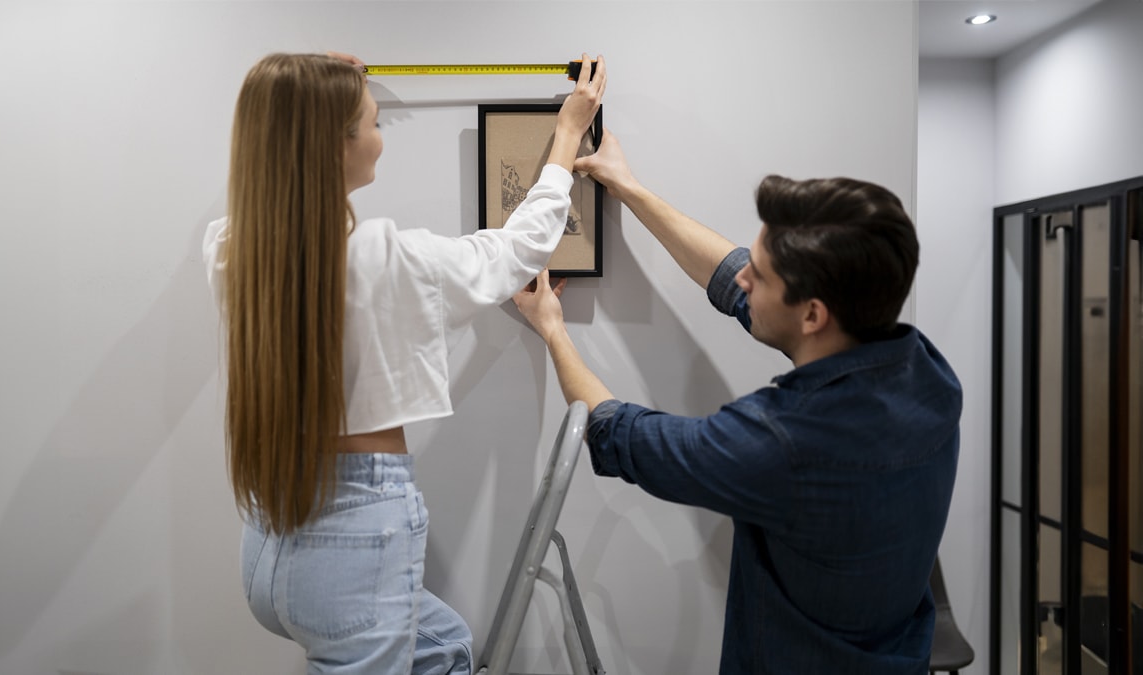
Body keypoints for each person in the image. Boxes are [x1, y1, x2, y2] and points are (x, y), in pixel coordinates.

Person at [203, 51, 606, 674]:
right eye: (373, 125)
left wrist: (314, 79)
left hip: (268, 541)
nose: (380, 143)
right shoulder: (387, 259)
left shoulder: (234, 251)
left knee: (445, 648)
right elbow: (521, 246)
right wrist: (567, 135)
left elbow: (270, 147)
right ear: (335, 147)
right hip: (352, 533)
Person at [512, 131, 961, 674]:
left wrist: (552, 329)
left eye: (762, 274)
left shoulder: (782, 443)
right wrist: (628, 188)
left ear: (814, 315)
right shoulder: (928, 372)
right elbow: (731, 278)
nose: (744, 274)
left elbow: (616, 431)